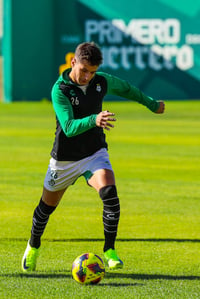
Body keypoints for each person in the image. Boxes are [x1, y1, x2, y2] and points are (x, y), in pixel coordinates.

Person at [22, 41, 165, 272]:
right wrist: (94, 119)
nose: (88, 76)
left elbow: (127, 88)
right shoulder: (60, 89)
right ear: (73, 62)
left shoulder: (101, 81)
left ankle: (109, 250)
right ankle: (33, 244)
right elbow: (68, 127)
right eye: (84, 70)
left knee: (109, 192)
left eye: (92, 72)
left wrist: (151, 104)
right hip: (65, 158)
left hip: (94, 152)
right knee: (46, 208)